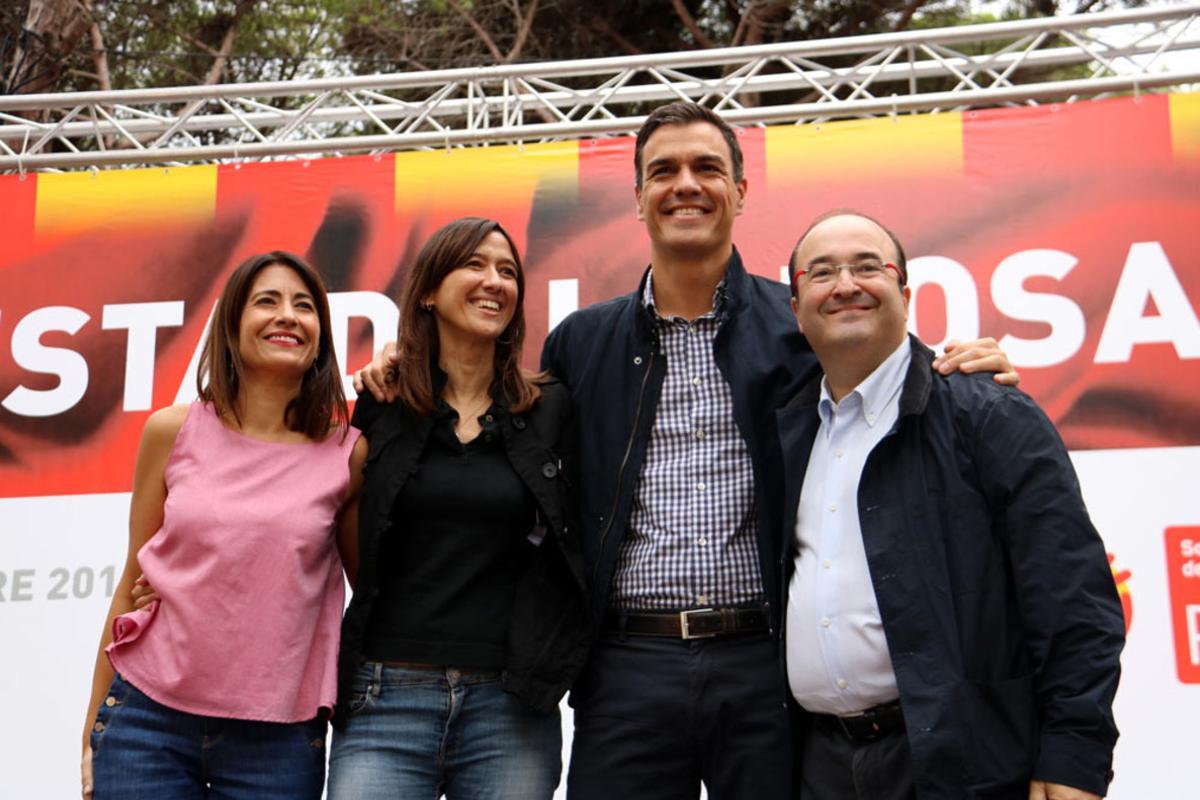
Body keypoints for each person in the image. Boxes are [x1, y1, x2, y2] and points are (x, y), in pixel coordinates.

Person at [357, 102, 1015, 799]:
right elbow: (496, 410)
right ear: (638, 197)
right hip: (625, 666)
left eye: (707, 167)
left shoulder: (798, 330)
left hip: (763, 664)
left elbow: (879, 369)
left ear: (740, 190)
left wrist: (958, 366)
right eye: (662, 171)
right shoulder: (582, 343)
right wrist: (405, 359)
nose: (685, 184)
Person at [779, 210, 1124, 800]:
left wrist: (1073, 759)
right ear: (795, 309)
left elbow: (1073, 601)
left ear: (906, 294)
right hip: (819, 767)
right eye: (822, 273)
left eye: (868, 267)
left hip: (961, 765)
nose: (845, 285)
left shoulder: (988, 414)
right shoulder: (786, 431)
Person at [81, 251, 368, 800]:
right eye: (267, 301)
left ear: (321, 338)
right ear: (232, 326)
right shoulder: (171, 430)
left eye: (304, 306)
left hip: (280, 740)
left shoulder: (348, 454)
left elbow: (367, 595)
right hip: (147, 721)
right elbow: (130, 584)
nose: (288, 315)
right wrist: (92, 730)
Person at [327, 217, 589, 800]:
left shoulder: (550, 407)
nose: (494, 280)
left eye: (507, 270)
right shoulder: (381, 401)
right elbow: (345, 530)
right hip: (384, 695)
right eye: (474, 264)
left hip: (510, 705)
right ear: (427, 290)